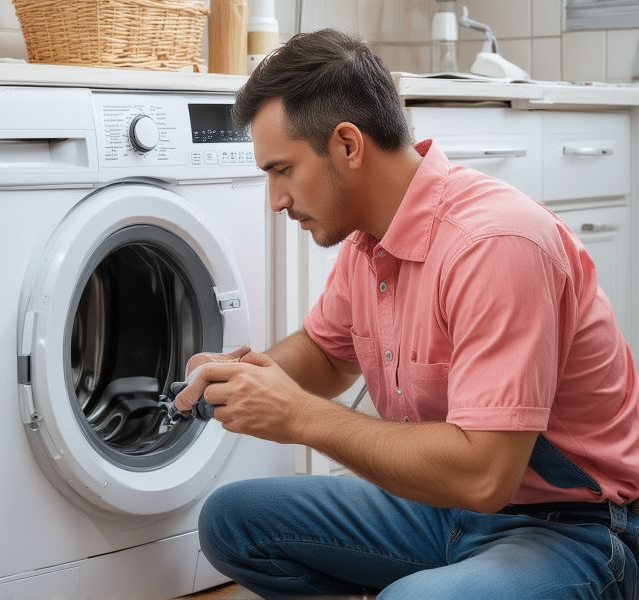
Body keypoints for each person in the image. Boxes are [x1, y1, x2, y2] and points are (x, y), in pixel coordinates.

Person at [174, 28, 639, 599]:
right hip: (444, 509)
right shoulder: (369, 239)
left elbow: (485, 475)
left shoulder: (495, 245)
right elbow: (327, 354)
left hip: (574, 527)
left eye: (282, 170)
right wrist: (244, 376)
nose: (276, 200)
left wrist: (298, 416)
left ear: (348, 145)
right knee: (232, 521)